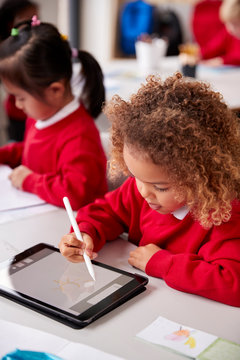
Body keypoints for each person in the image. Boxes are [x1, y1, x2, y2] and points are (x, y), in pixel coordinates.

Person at [59, 72, 240, 307]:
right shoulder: (142, 189)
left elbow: (233, 284)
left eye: (160, 187)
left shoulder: (224, 215)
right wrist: (84, 234)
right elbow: (106, 211)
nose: (144, 192)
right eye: (134, 176)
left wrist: (162, 263)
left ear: (201, 178)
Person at [0, 17, 107, 210]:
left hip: (75, 227)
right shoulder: (40, 114)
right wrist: (6, 154)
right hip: (42, 212)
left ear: (55, 90)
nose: (17, 105)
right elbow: (35, 150)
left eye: (21, 97)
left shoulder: (80, 136)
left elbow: (75, 194)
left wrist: (29, 181)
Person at [0, 0, 39, 141]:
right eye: (29, 19)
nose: (34, 23)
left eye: (36, 18)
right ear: (11, 23)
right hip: (17, 117)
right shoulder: (10, 52)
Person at [192, 0, 240, 66]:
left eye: (235, 24)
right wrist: (200, 54)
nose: (230, 29)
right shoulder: (229, 32)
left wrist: (222, 60)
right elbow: (213, 47)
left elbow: (238, 57)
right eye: (228, 23)